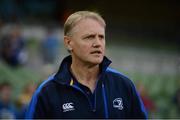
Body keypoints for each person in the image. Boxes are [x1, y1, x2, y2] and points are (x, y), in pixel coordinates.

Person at [26, 11, 147, 119]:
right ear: (68, 43)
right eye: (89, 37)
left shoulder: (123, 85)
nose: (98, 43)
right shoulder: (47, 92)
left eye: (101, 37)